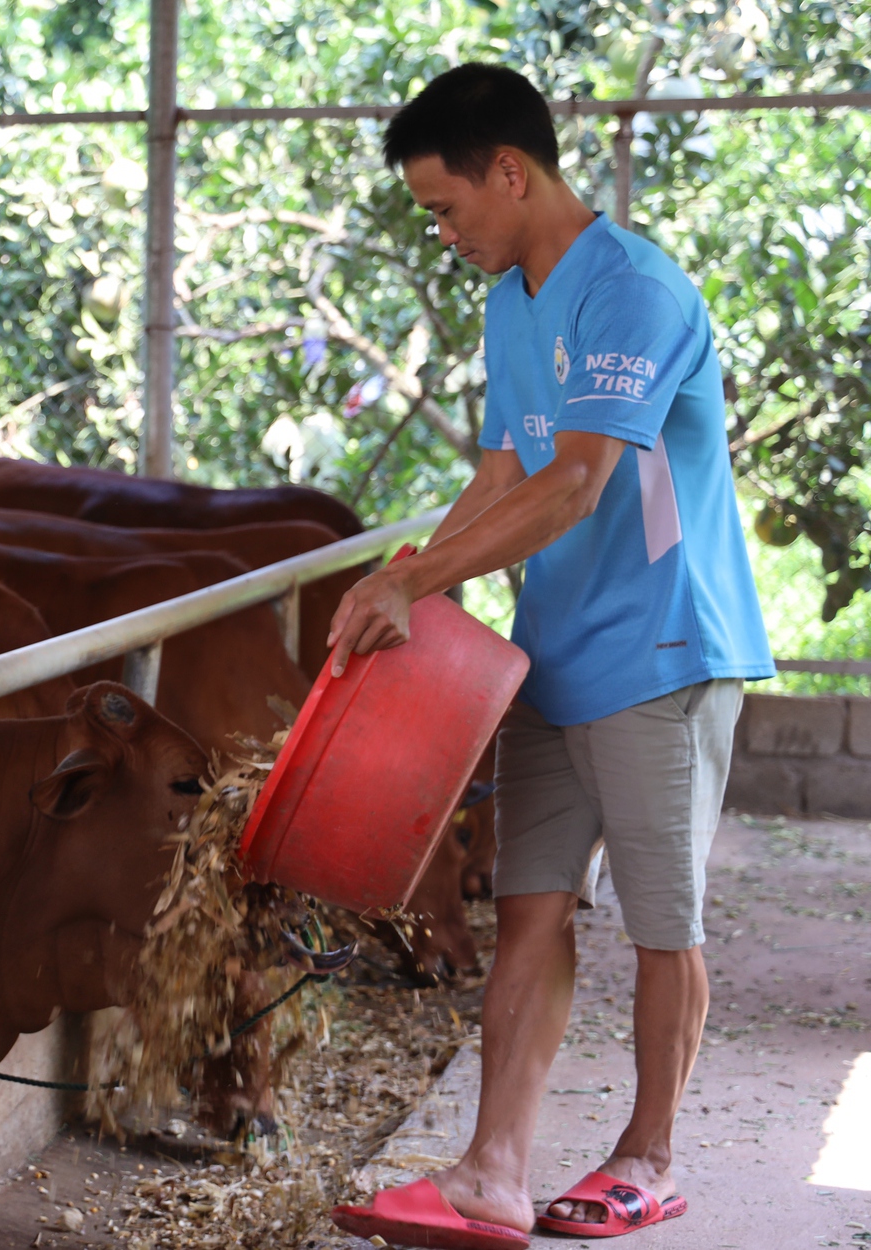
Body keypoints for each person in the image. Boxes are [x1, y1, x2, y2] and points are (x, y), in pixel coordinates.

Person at [325, 63, 774, 1250]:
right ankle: (493, 1170)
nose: (440, 230)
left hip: (663, 648)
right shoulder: (507, 299)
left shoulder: (633, 290)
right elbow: (498, 475)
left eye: (442, 205)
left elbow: (575, 480)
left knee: (658, 924)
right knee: (527, 907)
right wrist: (417, 589)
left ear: (509, 172)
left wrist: (409, 576)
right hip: (552, 652)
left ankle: (647, 1156)